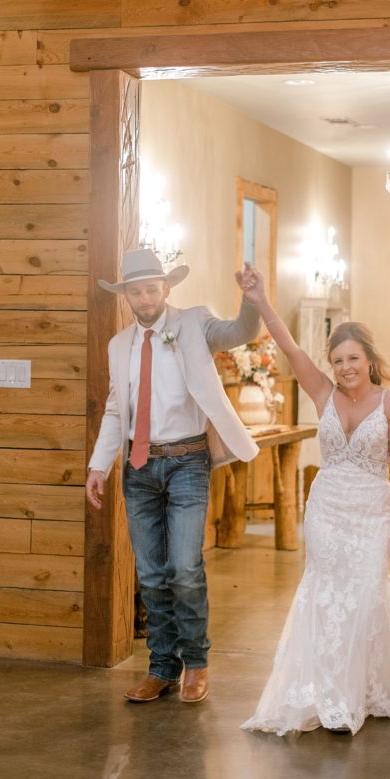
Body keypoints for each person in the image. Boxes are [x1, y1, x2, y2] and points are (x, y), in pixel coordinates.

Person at [237, 267, 390, 735]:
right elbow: (289, 346)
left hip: (371, 513)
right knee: (324, 597)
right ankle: (331, 697)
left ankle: (363, 685)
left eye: (353, 358)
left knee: (364, 597)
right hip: (327, 511)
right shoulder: (323, 392)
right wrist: (259, 301)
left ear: (369, 359)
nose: (345, 368)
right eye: (337, 360)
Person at [86, 248, 260, 705]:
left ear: (166, 289)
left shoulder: (194, 324)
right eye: (136, 291)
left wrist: (251, 300)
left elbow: (242, 332)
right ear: (126, 296)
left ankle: (196, 664)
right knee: (150, 574)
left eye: (152, 288)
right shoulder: (118, 345)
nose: (145, 298)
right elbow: (113, 408)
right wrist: (98, 465)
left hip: (187, 461)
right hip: (138, 466)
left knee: (184, 568)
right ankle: (162, 666)